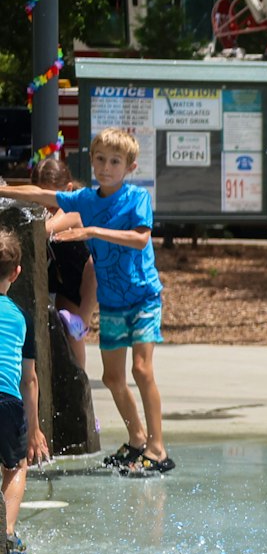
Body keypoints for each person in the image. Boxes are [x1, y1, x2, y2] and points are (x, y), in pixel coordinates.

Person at [0, 129, 169, 476]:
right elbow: (43, 193)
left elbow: (140, 239)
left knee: (141, 369)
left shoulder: (136, 197)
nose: (107, 167)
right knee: (111, 378)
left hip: (143, 297)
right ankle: (137, 439)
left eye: (115, 162)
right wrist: (4, 190)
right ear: (91, 161)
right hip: (112, 302)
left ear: (130, 166)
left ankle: (157, 447)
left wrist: (91, 232)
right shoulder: (87, 200)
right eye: (101, 160)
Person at [0, 221, 49, 554]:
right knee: (16, 466)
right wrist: (34, 428)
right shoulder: (21, 317)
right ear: (16, 273)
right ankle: (6, 532)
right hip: (8, 401)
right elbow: (29, 378)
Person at [32, 158, 92, 368]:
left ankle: (79, 385)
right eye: (40, 197)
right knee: (63, 333)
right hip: (63, 277)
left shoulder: (72, 208)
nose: (46, 205)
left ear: (67, 189)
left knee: (73, 334)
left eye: (50, 200)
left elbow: (47, 229)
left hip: (84, 277)